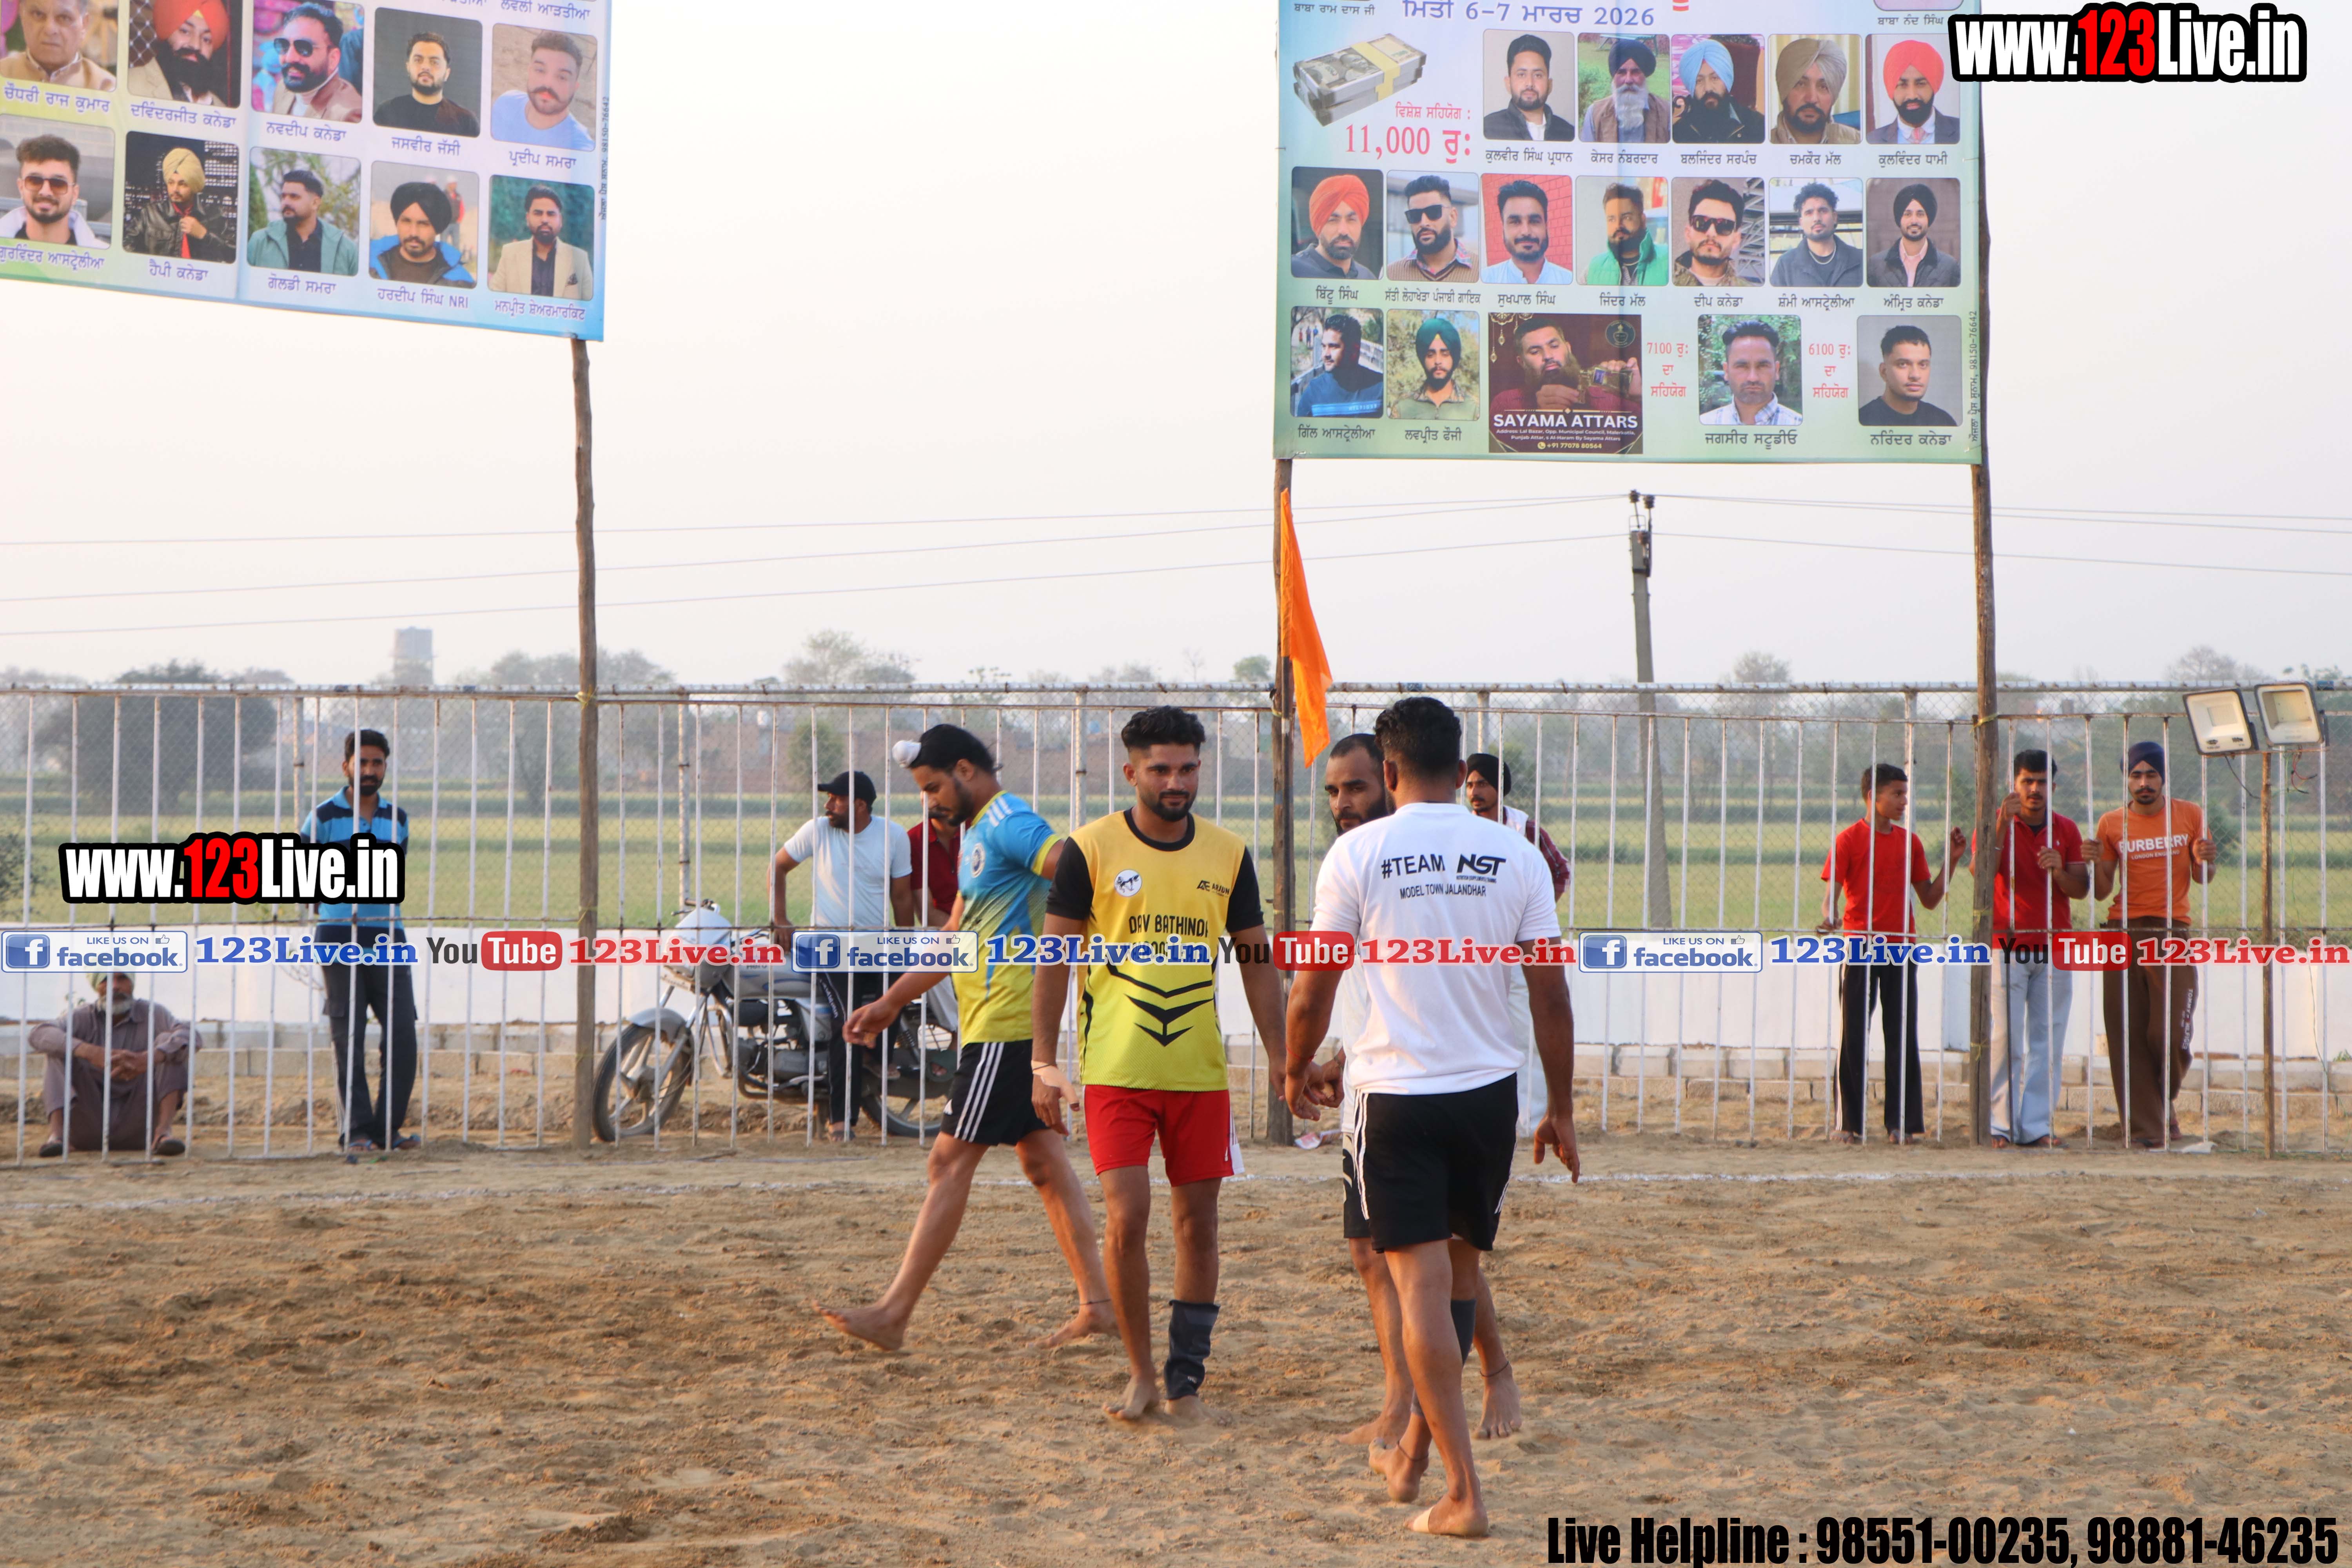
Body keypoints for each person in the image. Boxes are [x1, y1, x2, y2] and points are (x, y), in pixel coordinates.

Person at [1284, 697, 1578, 1539]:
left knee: (1418, 1290)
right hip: (1489, 1093)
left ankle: (1463, 1493)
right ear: (1461, 769)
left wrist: (1296, 1067)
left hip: (1396, 1093)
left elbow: (1314, 986)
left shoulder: (1358, 852)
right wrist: (1560, 1107)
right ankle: (1413, 1454)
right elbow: (1550, 991)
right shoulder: (1514, 852)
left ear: (1388, 770)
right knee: (1455, 1277)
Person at [1029, 706, 1289, 1425]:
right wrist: (1043, 1063)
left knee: (1197, 1226)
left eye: (1188, 769)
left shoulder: (1229, 854)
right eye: (1161, 770)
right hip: (1117, 1071)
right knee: (1128, 1217)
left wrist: (1281, 1058)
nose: (1176, 782)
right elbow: (1053, 959)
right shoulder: (1090, 849)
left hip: (1200, 1073)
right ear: (1131, 772)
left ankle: (1186, 1383)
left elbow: (1257, 961)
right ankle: (1141, 1374)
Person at [820, 725, 1115, 1353]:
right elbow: (954, 936)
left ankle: (894, 1314)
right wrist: (891, 1001)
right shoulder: (976, 836)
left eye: (933, 788)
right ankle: (1099, 1307)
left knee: (947, 1161)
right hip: (992, 1023)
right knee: (1043, 1164)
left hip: (1008, 1026)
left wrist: (1084, 944)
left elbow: (1073, 866)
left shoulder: (1008, 821)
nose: (929, 802)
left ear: (965, 769)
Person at [1310, 736, 1524, 1448]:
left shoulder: (1440, 862)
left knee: (1442, 1252)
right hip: (1374, 1082)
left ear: (1391, 778)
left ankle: (1484, 1375)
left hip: (1437, 1086)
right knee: (1374, 1250)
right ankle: (1404, 1399)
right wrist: (1340, 1054)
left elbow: (1439, 990)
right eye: (1334, 790)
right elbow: (1365, 981)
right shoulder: (1355, 860)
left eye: (1357, 787)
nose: (1344, 802)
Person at [1817, 762, 1966, 1145]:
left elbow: (1929, 899)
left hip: (1901, 948)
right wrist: (1830, 916)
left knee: (1901, 1034)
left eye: (1905, 794)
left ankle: (1901, 1123)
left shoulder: (1909, 842)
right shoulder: (1848, 840)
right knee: (1853, 1034)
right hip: (1859, 947)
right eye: (1897, 794)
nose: (1904, 801)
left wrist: (1952, 860)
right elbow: (1830, 897)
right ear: (1874, 796)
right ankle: (1848, 1124)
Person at [769, 769, 916, 1140]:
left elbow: (901, 896)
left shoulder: (894, 836)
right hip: (829, 947)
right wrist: (780, 918)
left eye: (837, 799)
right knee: (845, 1022)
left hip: (876, 945)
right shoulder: (818, 830)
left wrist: (905, 945)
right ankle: (841, 1121)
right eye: (830, 798)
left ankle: (876, 1057)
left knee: (899, 994)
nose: (829, 805)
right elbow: (778, 866)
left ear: (861, 805)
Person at [2092, 742, 2218, 1151]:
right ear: (2127, 779)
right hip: (2123, 931)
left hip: (2171, 932)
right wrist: (2094, 862)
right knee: (2127, 1032)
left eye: (2151, 775)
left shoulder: (2189, 815)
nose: (2143, 783)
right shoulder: (2112, 823)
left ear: (2163, 778)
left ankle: (2165, 1100)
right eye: (2136, 775)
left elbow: (2203, 877)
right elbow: (2102, 891)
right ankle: (2148, 1127)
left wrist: (2206, 858)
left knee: (2170, 1031)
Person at [300, 728, 419, 1152]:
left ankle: (387, 1129)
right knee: (347, 1034)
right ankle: (356, 1131)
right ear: (346, 765)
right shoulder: (323, 817)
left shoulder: (397, 819)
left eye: (377, 763)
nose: (370, 770)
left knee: (402, 1032)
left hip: (388, 934)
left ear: (386, 766)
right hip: (339, 934)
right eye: (363, 762)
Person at [1972, 750, 2087, 1150]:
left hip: (2054, 944)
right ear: (2014, 784)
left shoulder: (2066, 829)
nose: (2034, 790)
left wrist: (2059, 870)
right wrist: (2001, 825)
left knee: (2047, 1039)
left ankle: (2036, 1126)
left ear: (2052, 786)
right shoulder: (1995, 823)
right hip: (2006, 943)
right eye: (2027, 781)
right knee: (2005, 1037)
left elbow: (2081, 889)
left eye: (2041, 782)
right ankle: (1999, 1125)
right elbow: (1981, 875)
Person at [30, 971, 194, 1157]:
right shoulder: (81, 1017)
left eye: (122, 978)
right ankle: (58, 1137)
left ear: (132, 983)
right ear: (97, 986)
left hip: (141, 1125)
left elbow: (190, 1036)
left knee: (172, 1046)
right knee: (58, 1049)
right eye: (106, 980)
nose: (115, 987)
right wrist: (91, 1052)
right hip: (88, 1124)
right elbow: (39, 1034)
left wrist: (148, 1059)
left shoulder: (154, 1014)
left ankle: (163, 1133)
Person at [1489, 316, 1636, 416]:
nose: (1548, 356)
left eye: (1554, 346)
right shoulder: (1506, 405)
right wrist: (1540, 420)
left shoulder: (1609, 399)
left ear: (1568, 348)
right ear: (1522, 362)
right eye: (1535, 352)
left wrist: (1639, 396)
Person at [122, 145, 234, 263]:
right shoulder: (150, 214)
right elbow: (127, 248)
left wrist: (205, 235)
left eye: (182, 184)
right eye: (171, 183)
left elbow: (232, 254)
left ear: (194, 185)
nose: (175, 189)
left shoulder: (215, 216)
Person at [490, 30, 593, 150]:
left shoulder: (580, 148)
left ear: (575, 87)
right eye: (540, 70)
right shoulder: (505, 104)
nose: (548, 84)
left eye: (562, 77)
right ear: (530, 71)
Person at [488, 185, 593, 298]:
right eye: (538, 213)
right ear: (528, 218)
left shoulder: (580, 259)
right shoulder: (510, 254)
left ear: (561, 220)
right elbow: (494, 299)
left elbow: (590, 303)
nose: (545, 220)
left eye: (551, 214)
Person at [247, 166, 358, 273]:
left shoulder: (346, 249)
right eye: (284, 197)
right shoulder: (260, 242)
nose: (286, 202)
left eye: (294, 197)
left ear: (315, 203)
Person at [1, 134, 103, 247]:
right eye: (35, 181)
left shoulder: (102, 256)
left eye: (58, 183)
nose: (45, 192)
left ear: (75, 194)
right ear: (21, 187)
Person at [265, 3, 361, 122]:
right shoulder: (283, 88)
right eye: (284, 46)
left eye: (304, 48)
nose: (290, 58)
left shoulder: (349, 114)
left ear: (333, 58)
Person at [370, 180, 475, 285]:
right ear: (397, 223)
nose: (414, 233)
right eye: (407, 222)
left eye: (423, 224)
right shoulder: (370, 263)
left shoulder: (460, 282)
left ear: (437, 228)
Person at [375, 29, 479, 135]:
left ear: (447, 73)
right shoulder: (387, 112)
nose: (425, 67)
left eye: (434, 62)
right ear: (408, 68)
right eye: (418, 60)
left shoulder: (466, 123)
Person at [1699, 320, 1801, 427]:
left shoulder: (1800, 428)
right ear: (1727, 371)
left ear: (1776, 370)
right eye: (1742, 367)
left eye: (1762, 366)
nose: (1753, 378)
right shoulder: (1705, 426)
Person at [126, 0, 229, 104]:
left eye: (206, 39)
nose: (196, 45)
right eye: (185, 31)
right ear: (167, 33)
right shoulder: (129, 85)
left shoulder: (221, 107)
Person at [1, 0, 115, 89]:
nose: (50, 29)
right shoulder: (3, 73)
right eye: (38, 14)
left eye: (64, 18)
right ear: (22, 16)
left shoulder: (106, 88)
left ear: (84, 25)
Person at [1767, 181, 1863, 287]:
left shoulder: (1860, 260)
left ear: (1835, 217)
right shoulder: (1786, 265)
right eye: (1809, 213)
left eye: (1823, 211)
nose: (1817, 218)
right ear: (1801, 223)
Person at [1858, 324, 1957, 426]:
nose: (1916, 375)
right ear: (1884, 372)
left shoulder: (1944, 422)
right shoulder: (1863, 421)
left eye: (1923, 365)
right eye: (1903, 364)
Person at [1866, 183, 1961, 288]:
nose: (1914, 221)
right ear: (1900, 219)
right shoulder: (1876, 265)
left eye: (1920, 214)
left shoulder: (1950, 267)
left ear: (1929, 219)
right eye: (1908, 214)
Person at [1479, 178, 1573, 285]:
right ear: (1503, 229)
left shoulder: (1568, 280)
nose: (1526, 232)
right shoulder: (1486, 280)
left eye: (1534, 221)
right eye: (1516, 222)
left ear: (1546, 227)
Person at [1383, 174, 1474, 283]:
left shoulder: (1481, 271)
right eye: (1415, 215)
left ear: (1453, 217)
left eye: (1433, 212)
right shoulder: (1390, 275)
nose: (1424, 223)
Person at [1292, 312, 1384, 418]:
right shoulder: (1313, 393)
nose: (1325, 354)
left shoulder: (1381, 388)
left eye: (1333, 347)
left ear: (1354, 350)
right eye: (1324, 347)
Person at [1482, 34, 1571, 141]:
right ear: (1508, 83)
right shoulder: (1488, 129)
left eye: (1538, 75)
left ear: (1550, 84)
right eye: (1521, 75)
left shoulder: (1568, 133)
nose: (1530, 83)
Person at [1868, 40, 1960, 144]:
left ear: (1934, 86)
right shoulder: (1873, 141)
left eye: (1921, 84)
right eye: (1903, 85)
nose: (1912, 95)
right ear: (1891, 89)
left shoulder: (1965, 131)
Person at [1672, 37, 1762, 143]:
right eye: (1699, 81)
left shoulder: (1757, 126)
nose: (1708, 88)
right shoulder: (1678, 134)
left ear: (1726, 80)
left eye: (1715, 78)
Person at [1769, 37, 1857, 145]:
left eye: (1823, 87)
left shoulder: (1856, 142)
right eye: (1801, 84)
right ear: (1784, 89)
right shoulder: (1759, 145)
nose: (1812, 99)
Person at [1581, 37, 1669, 143]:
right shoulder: (1595, 113)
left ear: (1645, 76)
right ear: (1614, 77)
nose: (1628, 80)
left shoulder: (1666, 112)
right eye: (1622, 73)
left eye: (1635, 72)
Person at [1582, 182, 1670, 287]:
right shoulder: (1592, 271)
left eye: (1627, 218)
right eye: (1612, 219)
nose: (1618, 226)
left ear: (1643, 221)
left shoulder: (1669, 262)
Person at [1391, 315, 1474, 421]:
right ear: (1423, 359)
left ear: (1454, 358)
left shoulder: (1474, 409)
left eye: (1445, 354)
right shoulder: (1402, 408)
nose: (1438, 361)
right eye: (1431, 355)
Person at [1291, 172, 1374, 279]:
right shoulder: (1293, 270)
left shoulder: (1368, 277)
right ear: (1319, 225)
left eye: (1351, 220)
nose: (1343, 231)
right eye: (1333, 221)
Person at [1672, 179, 1753, 288]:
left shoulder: (1750, 293)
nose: (1711, 232)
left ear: (1736, 239)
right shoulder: (1660, 282)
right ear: (1688, 234)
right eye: (1701, 222)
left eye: (1724, 225)